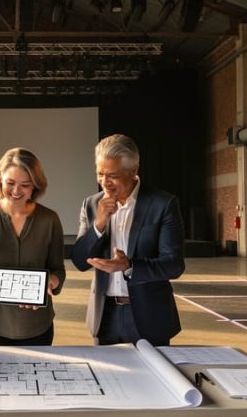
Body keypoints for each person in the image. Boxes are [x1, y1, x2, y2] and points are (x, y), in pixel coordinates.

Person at [71, 134, 185, 347]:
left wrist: (130, 266)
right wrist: (99, 224)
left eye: (112, 175)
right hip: (105, 317)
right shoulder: (91, 205)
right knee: (105, 379)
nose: (105, 183)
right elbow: (79, 261)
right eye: (100, 174)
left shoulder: (163, 204)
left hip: (149, 316)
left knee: (153, 380)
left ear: (133, 170)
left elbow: (174, 265)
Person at [0, 148, 66, 346]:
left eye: (25, 185)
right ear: (0, 180)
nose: (16, 191)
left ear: (35, 185)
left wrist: (49, 282)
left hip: (37, 327)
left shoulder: (50, 220)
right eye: (10, 183)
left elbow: (58, 269)